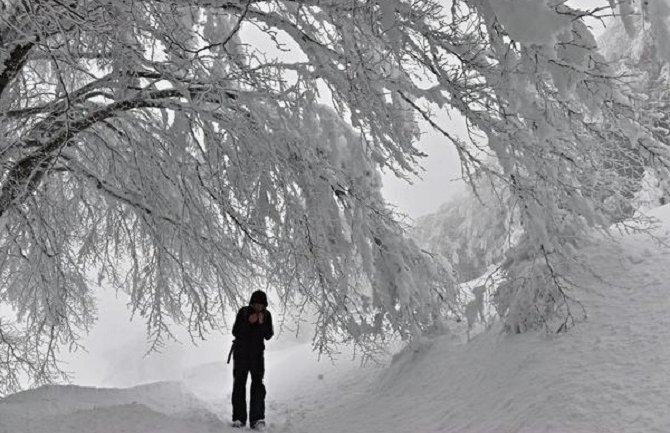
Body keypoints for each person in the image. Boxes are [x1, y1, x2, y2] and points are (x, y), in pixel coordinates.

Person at [230, 290, 274, 430]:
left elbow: (268, 335)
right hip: (241, 355)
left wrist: (262, 323)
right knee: (239, 385)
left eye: (261, 305)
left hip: (257, 357)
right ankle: (238, 418)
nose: (258, 307)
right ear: (252, 303)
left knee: (258, 386)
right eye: (256, 304)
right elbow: (236, 331)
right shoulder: (243, 312)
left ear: (264, 305)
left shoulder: (267, 315)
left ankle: (257, 419)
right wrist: (249, 322)